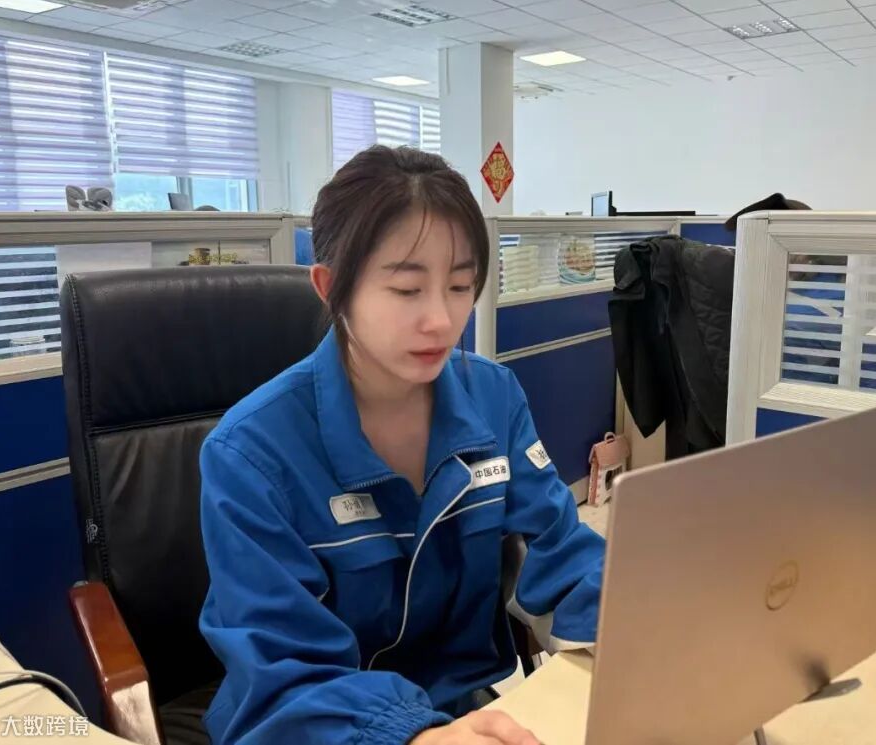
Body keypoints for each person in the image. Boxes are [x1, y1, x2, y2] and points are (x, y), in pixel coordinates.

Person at [198, 145, 605, 744]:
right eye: (408, 289)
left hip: (465, 712)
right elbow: (282, 669)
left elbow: (560, 550)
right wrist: (409, 734)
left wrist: (633, 622)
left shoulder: (493, 396)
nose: (442, 319)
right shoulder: (249, 454)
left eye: (460, 285)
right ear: (330, 288)